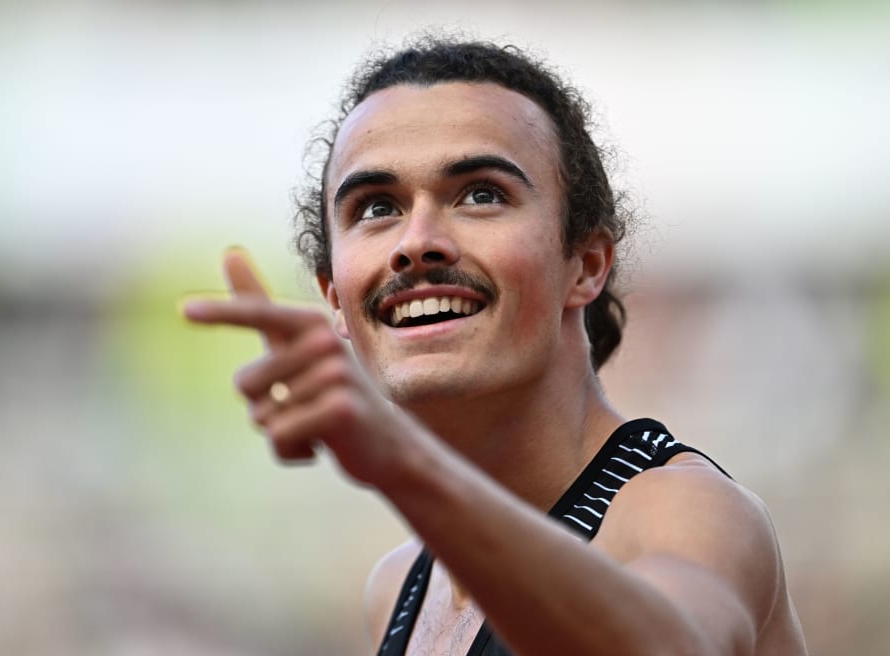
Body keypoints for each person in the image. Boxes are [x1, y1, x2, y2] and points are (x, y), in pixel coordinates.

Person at [184, 36, 808, 655]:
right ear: (333, 296)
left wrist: (401, 463)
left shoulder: (683, 511)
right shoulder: (398, 587)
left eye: (481, 194)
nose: (417, 241)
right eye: (376, 207)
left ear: (586, 264)